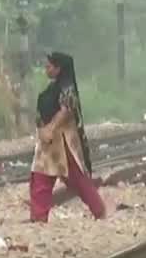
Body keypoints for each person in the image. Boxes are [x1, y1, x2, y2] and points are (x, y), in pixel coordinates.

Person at [29, 52, 106, 222]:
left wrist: (51, 128)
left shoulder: (67, 88)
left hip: (63, 142)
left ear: (58, 68)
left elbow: (66, 110)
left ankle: (99, 211)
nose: (46, 69)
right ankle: (38, 217)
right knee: (41, 177)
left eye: (49, 66)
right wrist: (42, 130)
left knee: (77, 179)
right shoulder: (51, 89)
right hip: (47, 143)